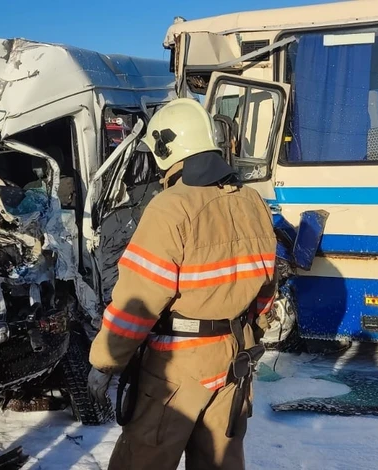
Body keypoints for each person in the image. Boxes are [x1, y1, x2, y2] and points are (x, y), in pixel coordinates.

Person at [86, 98, 278, 470]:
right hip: (235, 359)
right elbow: (266, 290)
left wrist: (105, 361)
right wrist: (253, 330)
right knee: (220, 461)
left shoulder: (171, 207)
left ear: (165, 149)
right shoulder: (252, 201)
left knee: (141, 459)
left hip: (178, 366)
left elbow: (138, 301)